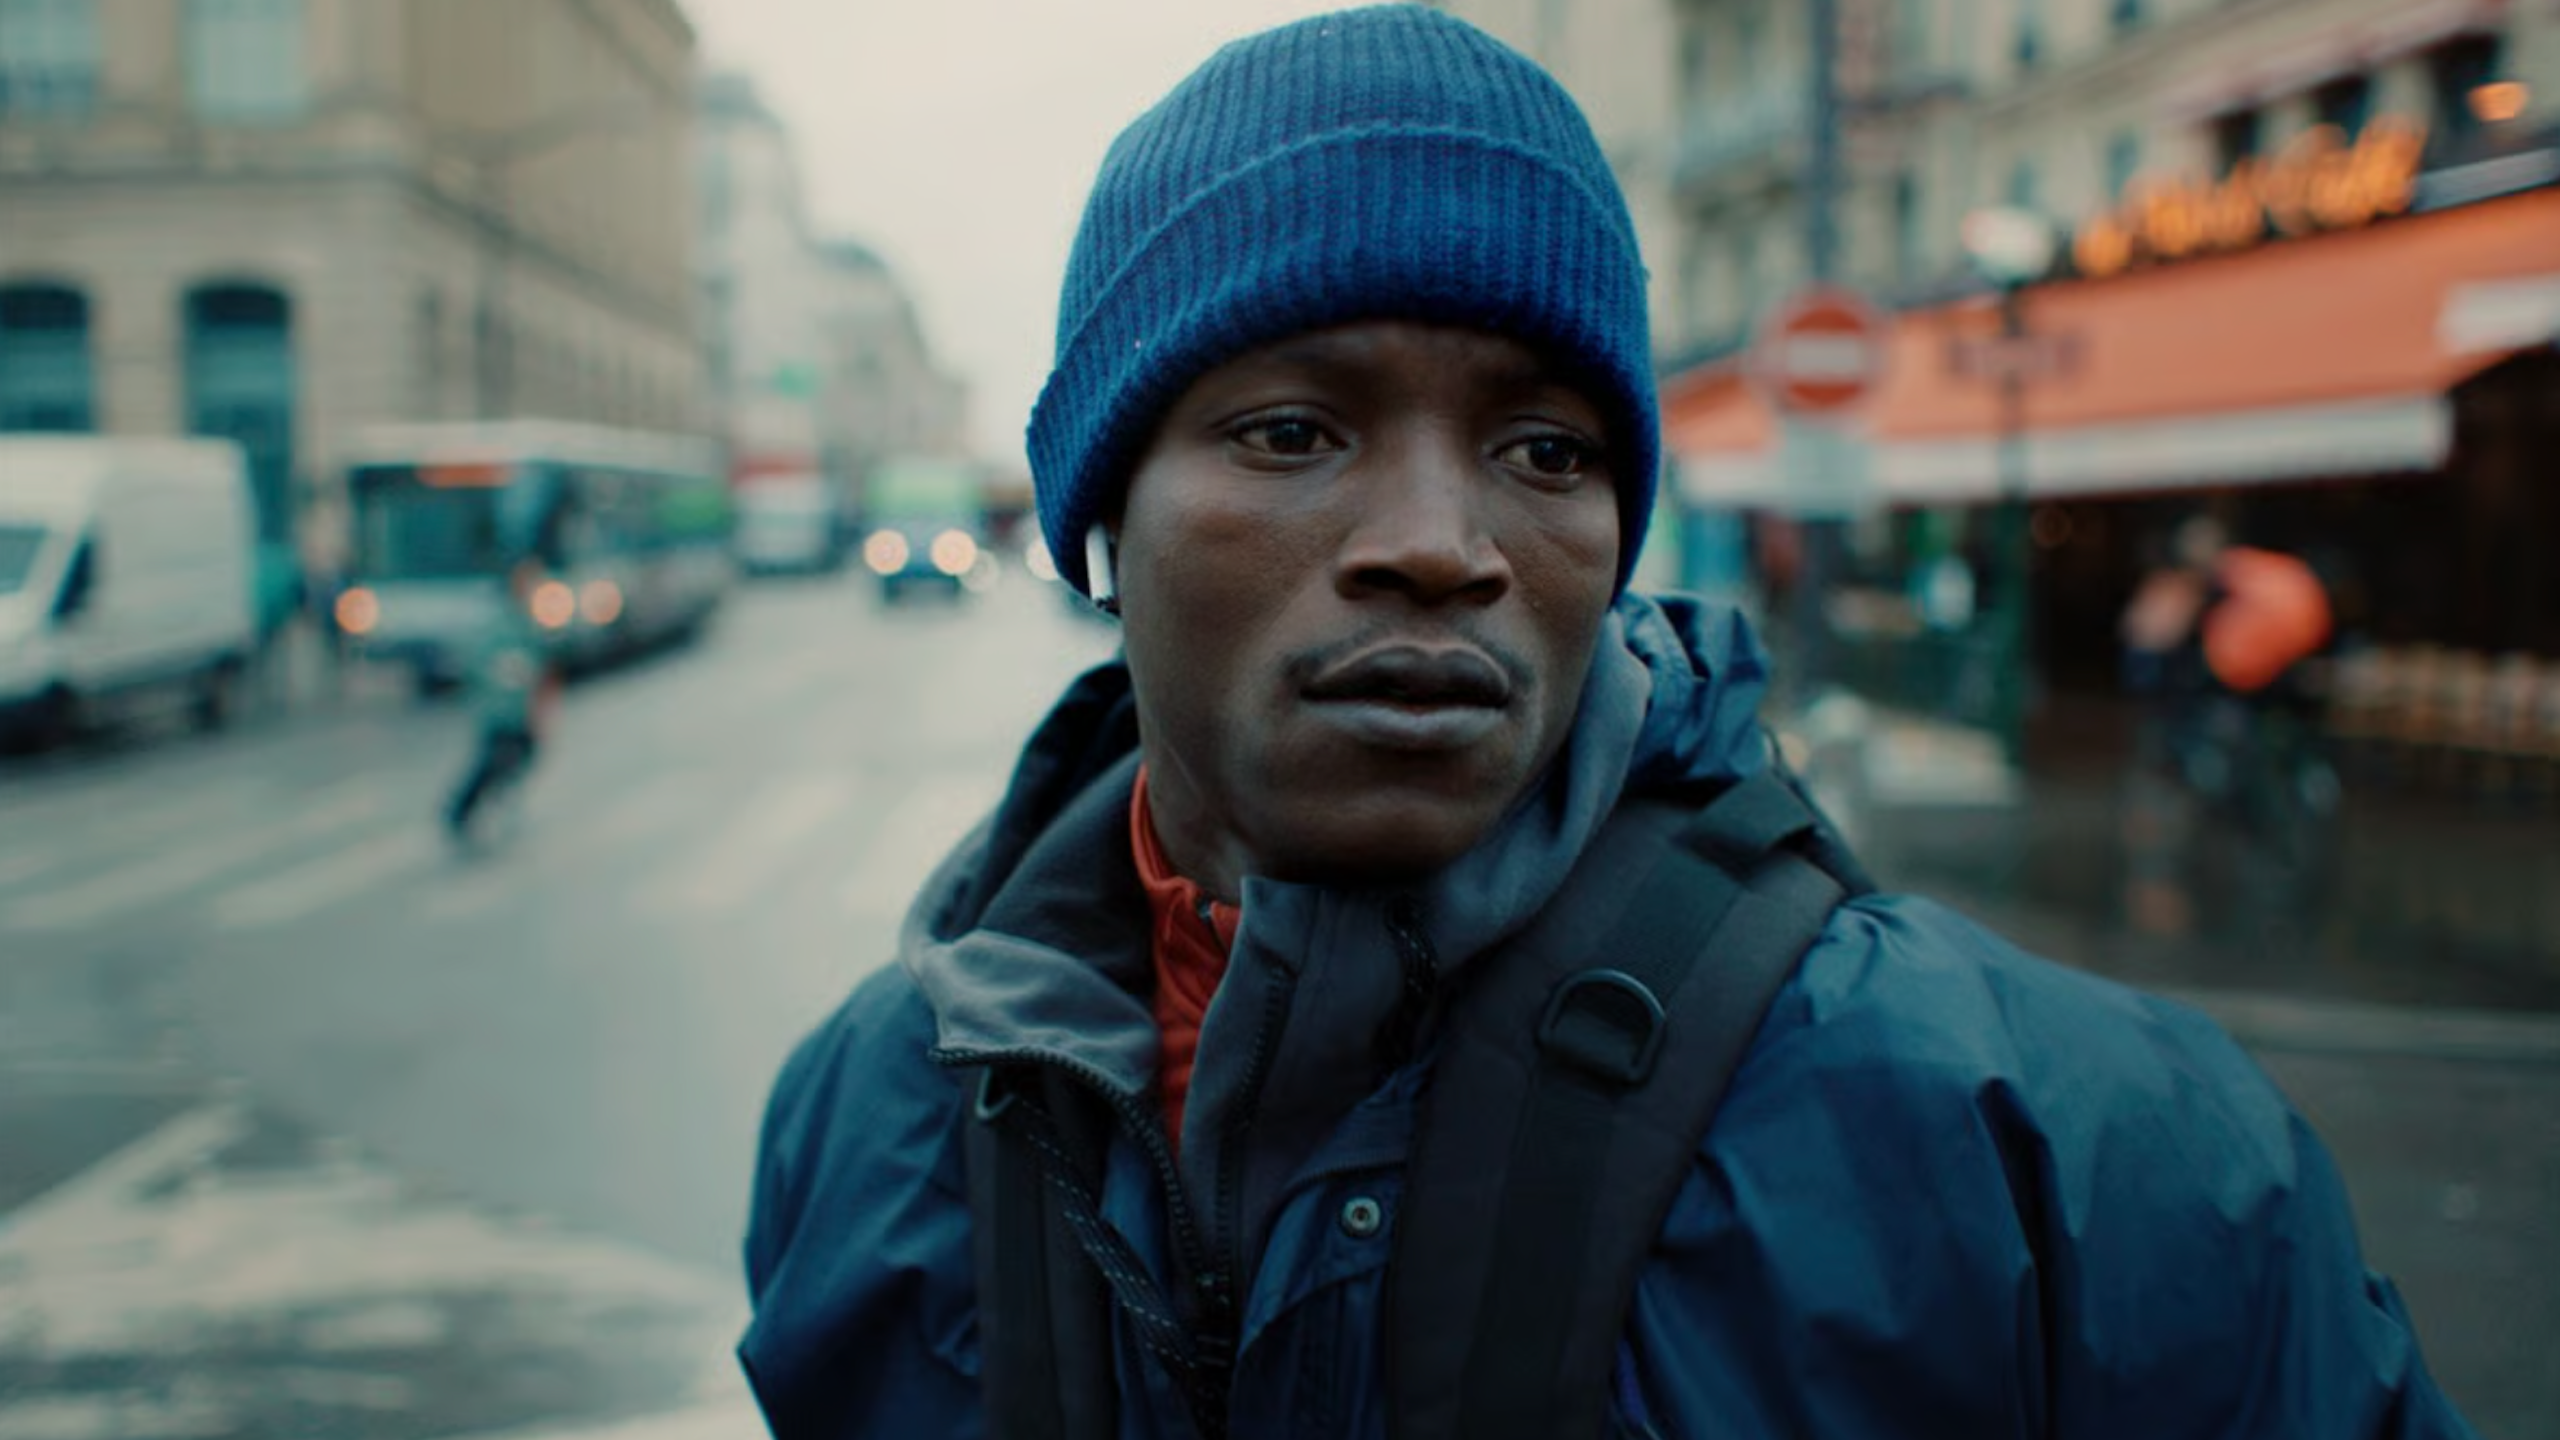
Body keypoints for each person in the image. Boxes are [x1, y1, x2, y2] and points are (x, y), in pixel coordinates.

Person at [739, 9, 2474, 1437]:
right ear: (1100, 523)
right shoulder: (867, 1121)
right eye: (1291, 432)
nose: (1440, 543)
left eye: (1547, 450)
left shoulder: (2085, 1160)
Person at [443, 555, 559, 842]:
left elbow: (544, 667)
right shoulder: (500, 623)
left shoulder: (530, 623)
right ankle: (460, 811)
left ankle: (494, 801)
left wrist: (541, 708)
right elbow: (478, 664)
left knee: (517, 757)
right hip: (499, 711)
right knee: (493, 761)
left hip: (520, 711)